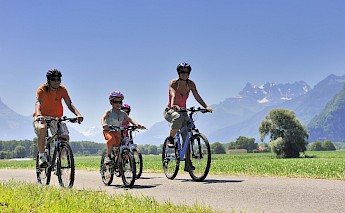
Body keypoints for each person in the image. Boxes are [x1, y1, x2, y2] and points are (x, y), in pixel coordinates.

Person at [33, 68, 84, 167]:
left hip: (56, 118)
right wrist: (39, 115)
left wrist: (78, 114)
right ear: (48, 80)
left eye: (58, 79)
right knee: (42, 128)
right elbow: (38, 103)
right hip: (42, 117)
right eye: (53, 79)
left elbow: (69, 103)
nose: (56, 82)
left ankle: (58, 161)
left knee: (65, 137)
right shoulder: (42, 89)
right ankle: (42, 156)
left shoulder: (62, 90)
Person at [163, 62, 213, 149]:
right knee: (178, 117)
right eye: (182, 72)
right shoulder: (174, 83)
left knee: (187, 137)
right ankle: (171, 139)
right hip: (170, 111)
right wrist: (173, 105)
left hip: (183, 111)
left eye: (187, 72)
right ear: (179, 72)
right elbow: (173, 94)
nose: (185, 74)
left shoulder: (191, 84)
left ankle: (188, 160)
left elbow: (196, 95)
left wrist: (206, 107)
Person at [101, 91, 145, 163]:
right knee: (111, 139)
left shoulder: (123, 113)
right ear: (111, 102)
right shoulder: (109, 111)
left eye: (120, 102)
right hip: (108, 131)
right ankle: (108, 156)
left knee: (119, 147)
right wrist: (104, 124)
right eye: (116, 102)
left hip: (118, 132)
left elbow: (131, 120)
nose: (118, 104)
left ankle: (118, 163)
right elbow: (102, 118)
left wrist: (137, 124)